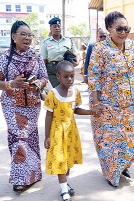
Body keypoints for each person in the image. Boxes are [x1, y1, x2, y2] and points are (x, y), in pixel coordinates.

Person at [88, 11, 134, 187]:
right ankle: (112, 174)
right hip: (107, 107)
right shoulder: (100, 49)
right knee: (111, 141)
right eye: (119, 29)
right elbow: (93, 76)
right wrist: (95, 103)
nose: (123, 32)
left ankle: (124, 165)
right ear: (109, 29)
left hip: (132, 103)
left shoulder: (132, 46)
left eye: (127, 29)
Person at [0, 21, 47, 192]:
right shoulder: (4, 58)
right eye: (23, 34)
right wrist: (12, 84)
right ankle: (20, 178)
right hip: (11, 105)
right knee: (18, 138)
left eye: (30, 35)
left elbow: (44, 77)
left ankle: (33, 174)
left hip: (32, 105)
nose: (27, 38)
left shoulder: (37, 57)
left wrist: (37, 84)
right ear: (13, 36)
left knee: (30, 138)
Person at [44, 61, 91, 201]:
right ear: (58, 76)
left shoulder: (75, 92)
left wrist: (91, 112)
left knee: (68, 160)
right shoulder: (53, 94)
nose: (70, 79)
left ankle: (65, 184)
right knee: (60, 161)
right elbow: (48, 115)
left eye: (72, 76)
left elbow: (76, 109)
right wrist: (47, 136)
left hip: (71, 131)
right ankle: (64, 189)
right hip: (57, 132)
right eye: (66, 76)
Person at [41, 17, 79, 87]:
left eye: (58, 26)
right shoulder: (45, 43)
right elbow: (43, 61)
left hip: (67, 69)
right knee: (55, 91)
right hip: (52, 71)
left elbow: (76, 53)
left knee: (68, 90)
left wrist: (77, 62)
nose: (57, 28)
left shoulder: (68, 40)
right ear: (50, 28)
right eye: (54, 26)